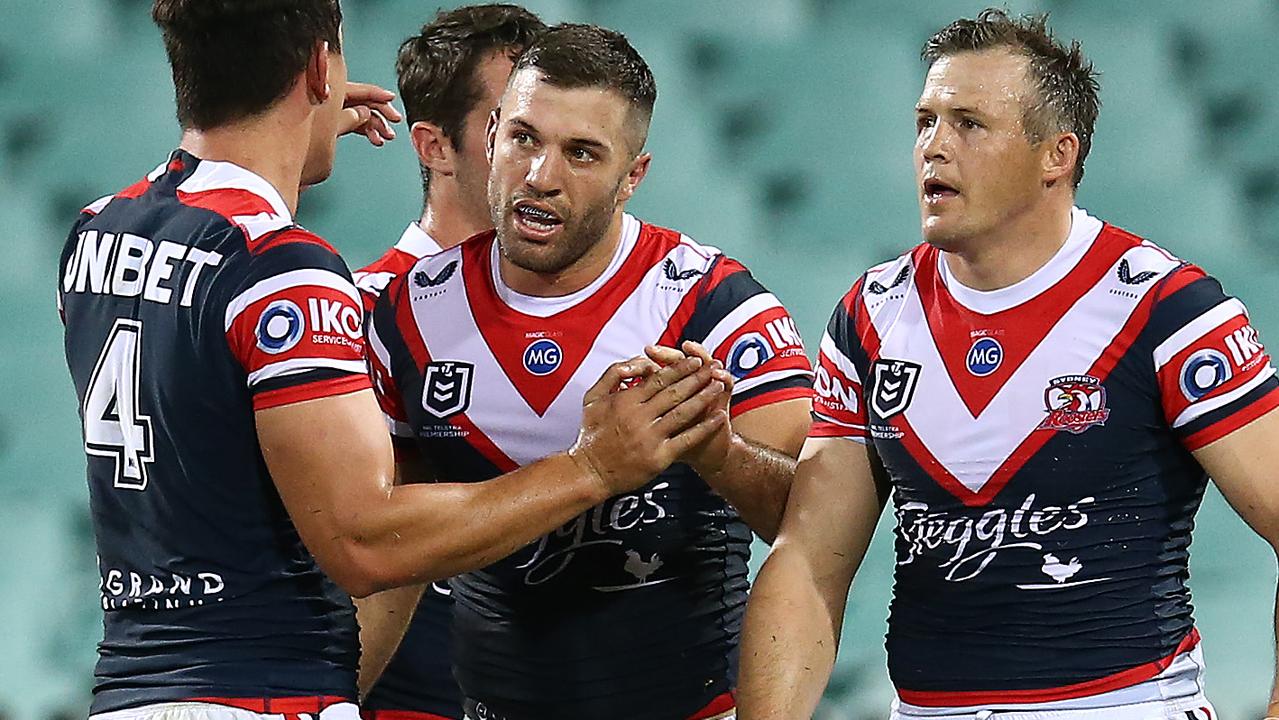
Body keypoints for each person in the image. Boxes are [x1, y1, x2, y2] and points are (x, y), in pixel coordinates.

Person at [58, 2, 725, 717]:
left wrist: (286, 111)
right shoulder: (286, 272)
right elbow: (361, 543)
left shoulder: (96, 232)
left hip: (133, 689)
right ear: (320, 68)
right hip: (262, 689)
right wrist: (592, 466)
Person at [738, 9, 1279, 720]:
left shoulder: (1165, 310)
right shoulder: (871, 316)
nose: (933, 147)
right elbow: (808, 562)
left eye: (967, 123)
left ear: (1056, 154)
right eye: (924, 121)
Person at [366, 23, 814, 720]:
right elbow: (385, 556)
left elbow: (811, 524)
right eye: (523, 138)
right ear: (489, 142)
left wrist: (717, 450)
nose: (541, 177)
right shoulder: (408, 316)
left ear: (631, 176)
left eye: (581, 153)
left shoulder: (713, 308)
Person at [351, 6, 547, 720]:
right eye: (511, 127)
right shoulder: (357, 317)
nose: (541, 158)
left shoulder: (630, 313)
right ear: (433, 146)